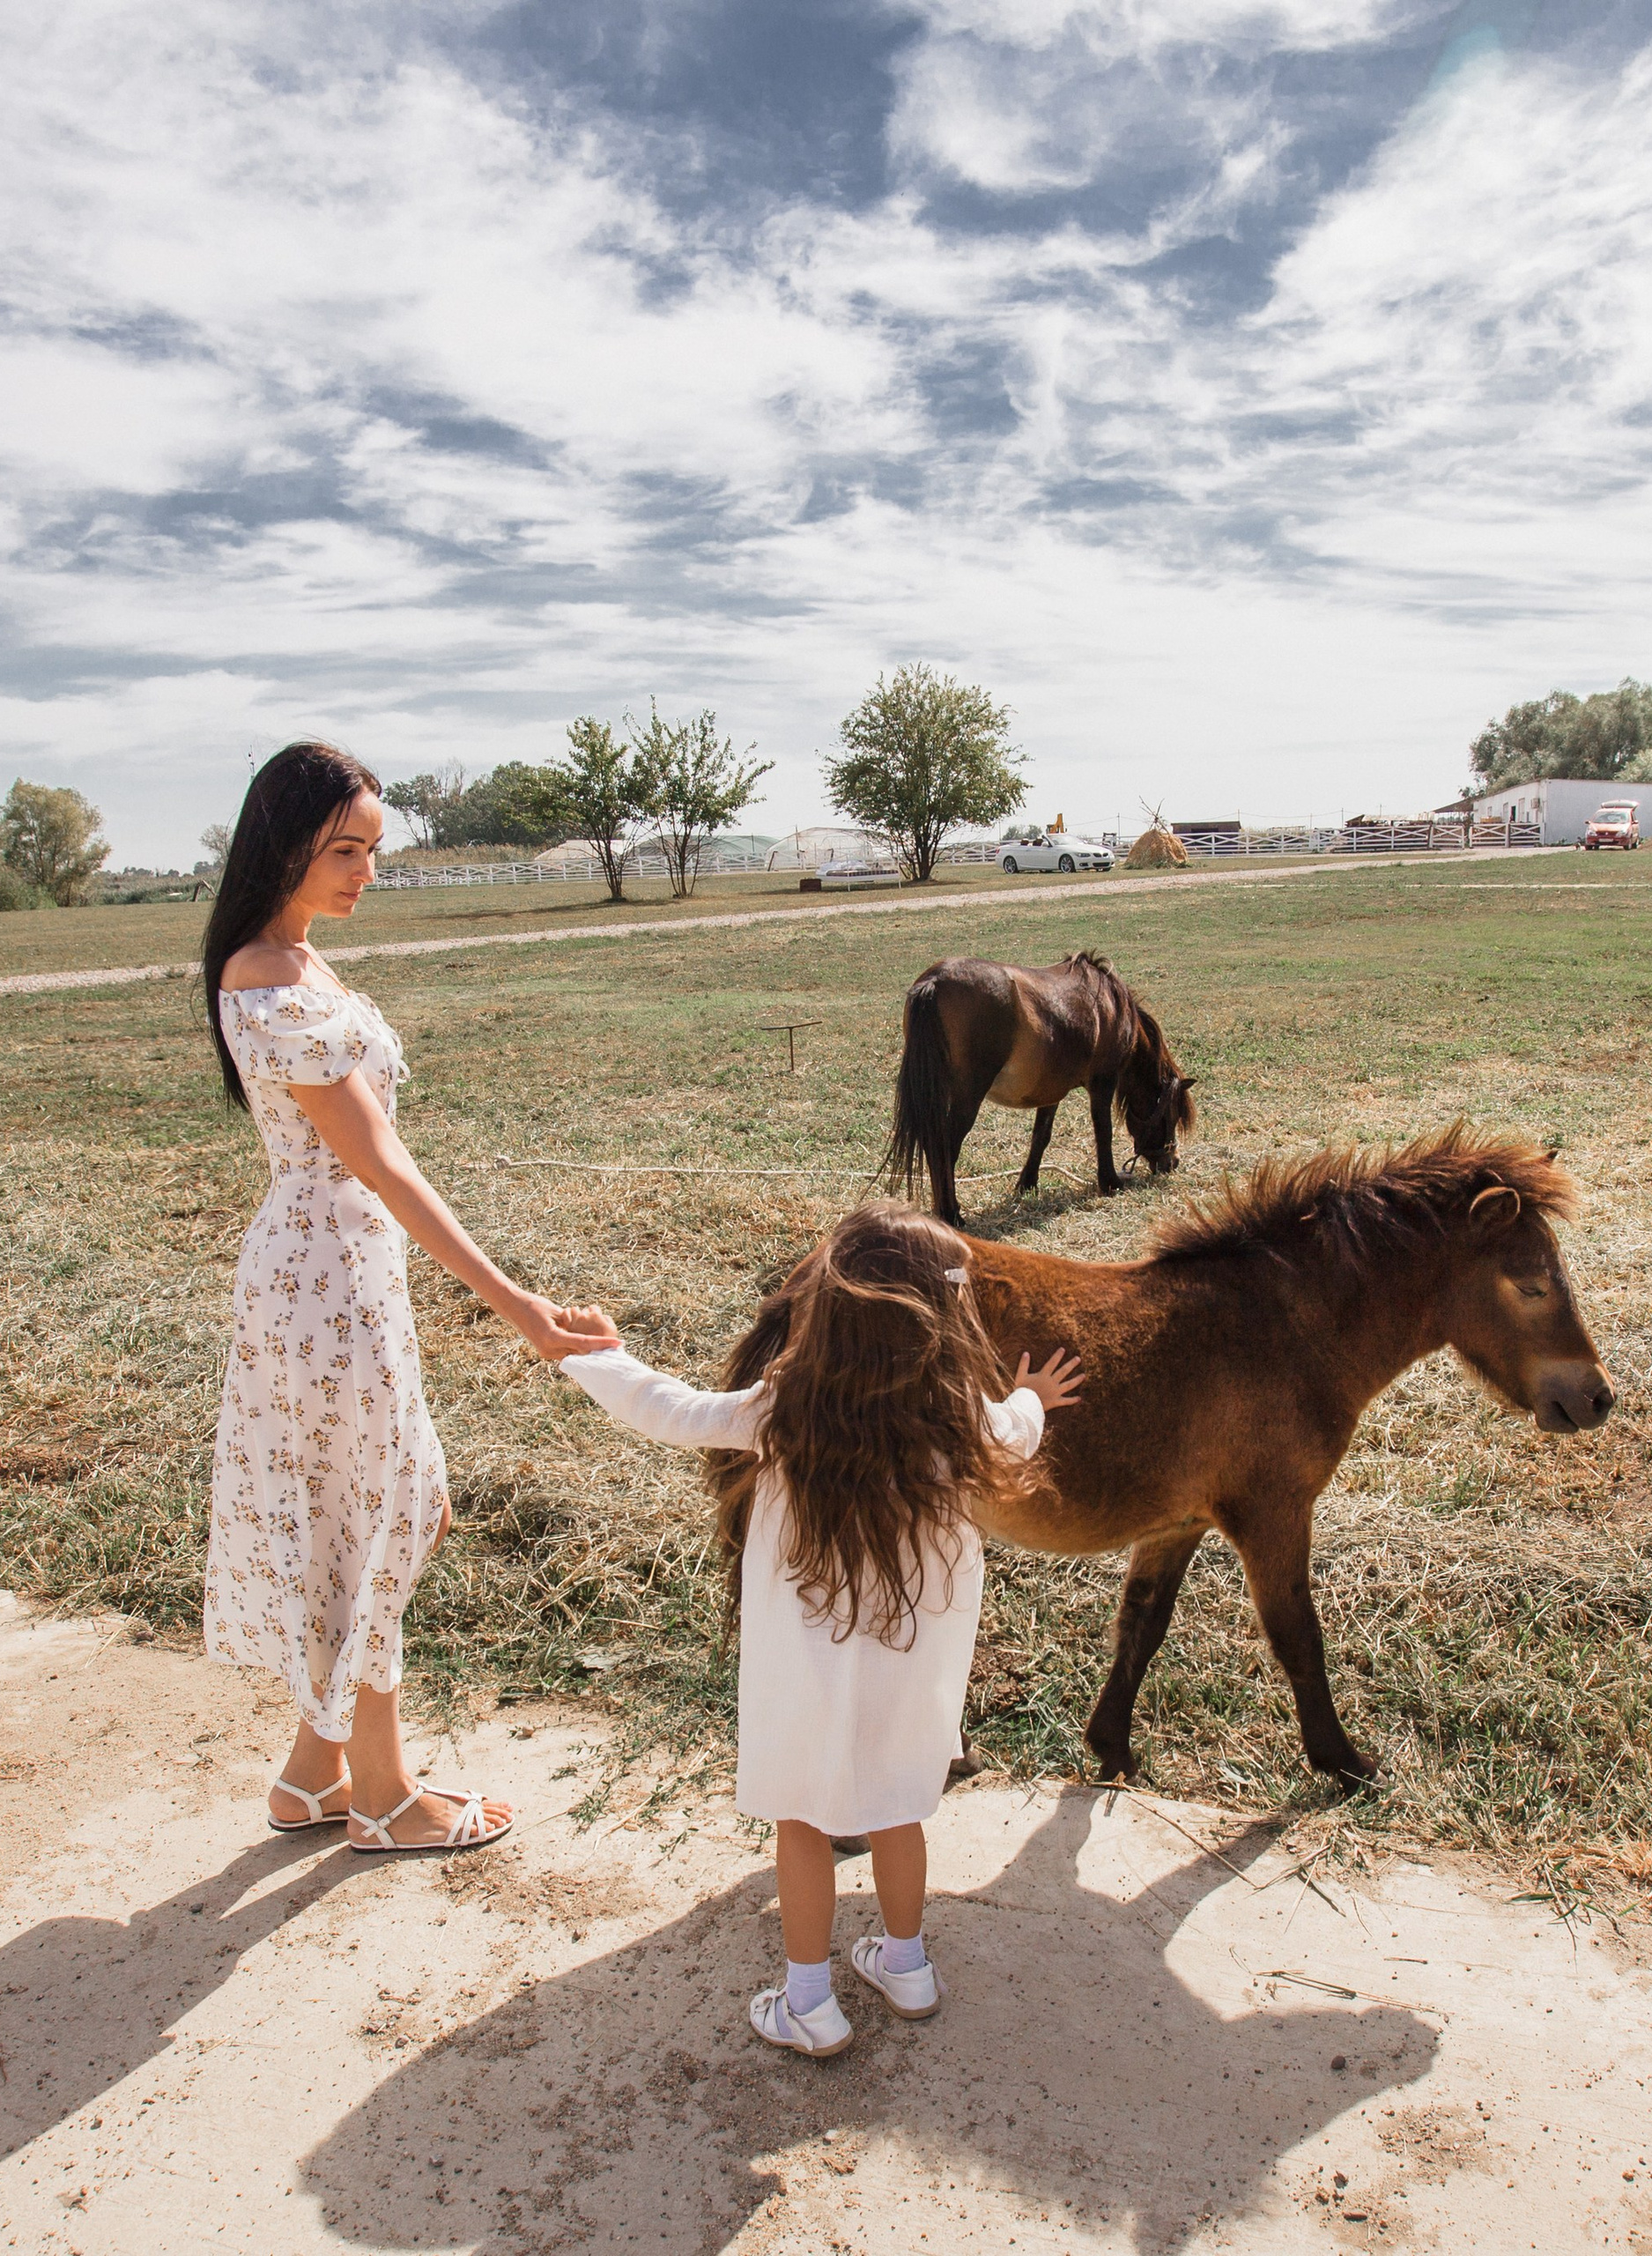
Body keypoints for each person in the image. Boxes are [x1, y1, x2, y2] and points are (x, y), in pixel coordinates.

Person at [202, 741, 617, 1856]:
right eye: (345, 850)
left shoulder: (301, 963)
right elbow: (378, 1159)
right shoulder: (266, 974)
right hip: (320, 1278)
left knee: (378, 1506)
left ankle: (311, 1774)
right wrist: (517, 1303)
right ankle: (381, 1793)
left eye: (374, 849)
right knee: (390, 1507)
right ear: (282, 845)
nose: (366, 872)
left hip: (344, 1269)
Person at [560, 1204, 1081, 2057]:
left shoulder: (783, 1411)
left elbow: (673, 1410)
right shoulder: (962, 1422)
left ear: (829, 1311)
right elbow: (1018, 1429)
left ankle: (809, 2000)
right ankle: (907, 1966)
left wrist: (597, 1357)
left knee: (802, 1821)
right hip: (913, 1677)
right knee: (898, 1810)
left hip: (801, 1680)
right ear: (947, 1321)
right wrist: (1031, 1393)